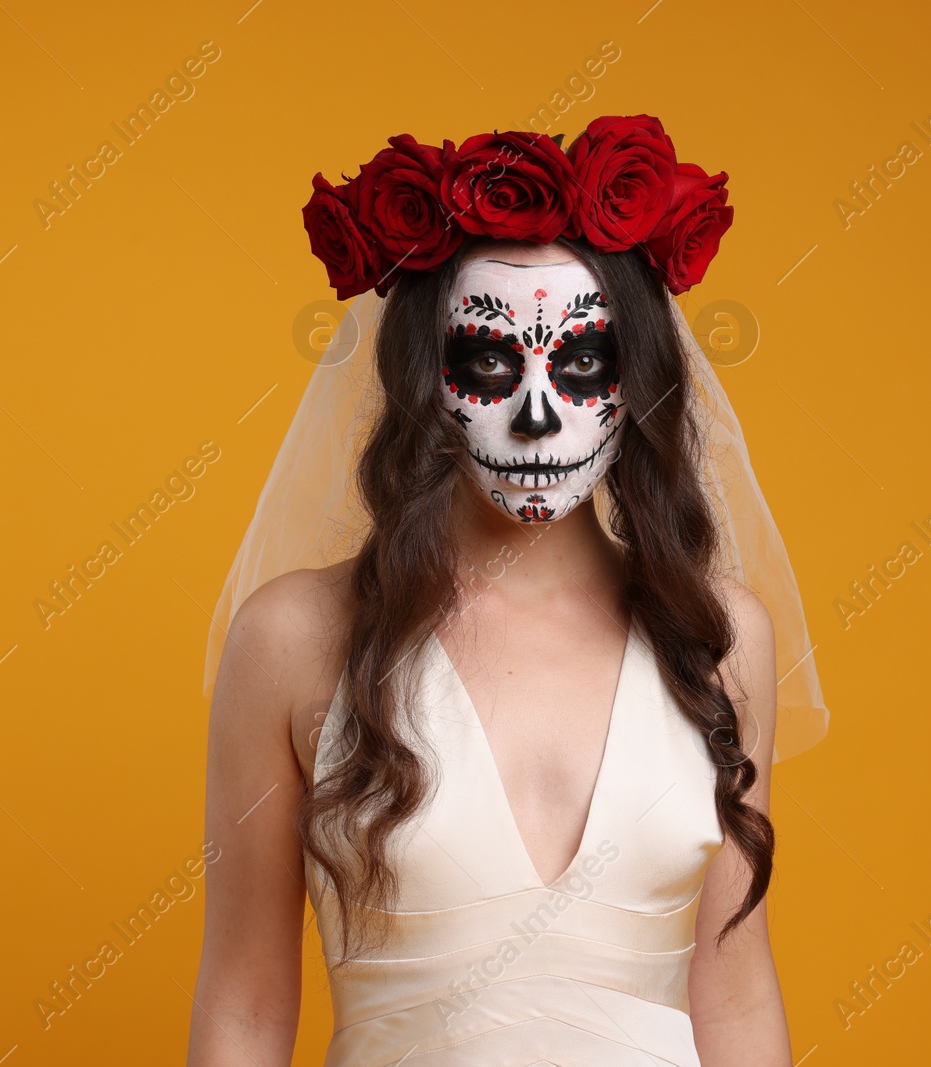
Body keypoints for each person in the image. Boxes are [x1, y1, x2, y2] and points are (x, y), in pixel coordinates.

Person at [187, 118, 827, 1066]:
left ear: (636, 377)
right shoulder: (292, 636)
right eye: (489, 360)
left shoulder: (721, 637)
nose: (536, 415)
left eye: (579, 365)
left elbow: (733, 997)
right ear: (423, 378)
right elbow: (244, 1003)